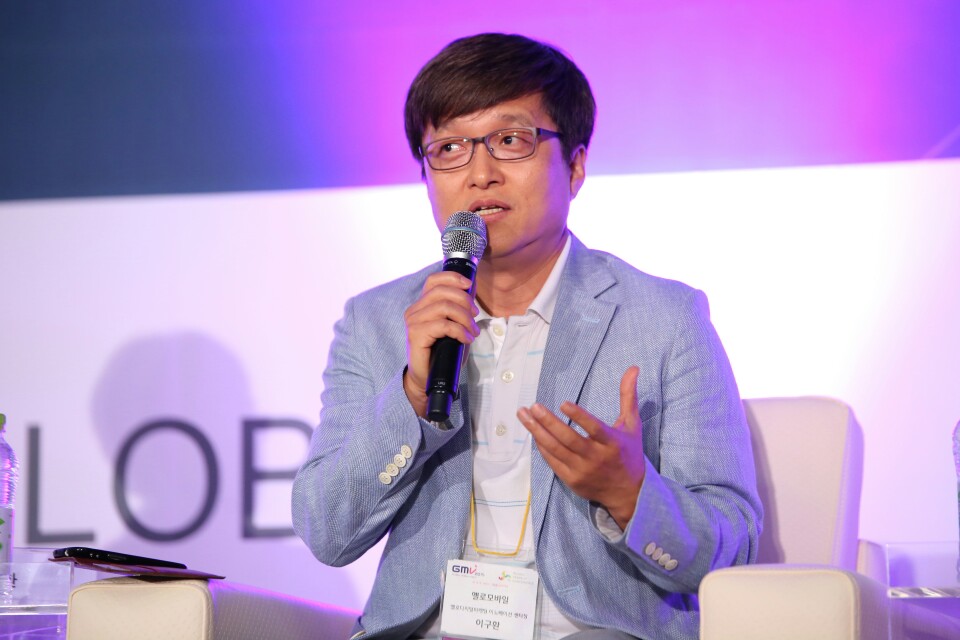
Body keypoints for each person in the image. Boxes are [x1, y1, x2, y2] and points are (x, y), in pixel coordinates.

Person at [292, 33, 762, 640]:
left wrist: (630, 494)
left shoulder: (664, 318)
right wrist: (411, 396)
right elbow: (326, 531)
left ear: (576, 165)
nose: (480, 174)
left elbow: (734, 547)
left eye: (511, 140)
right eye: (449, 148)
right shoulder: (378, 322)